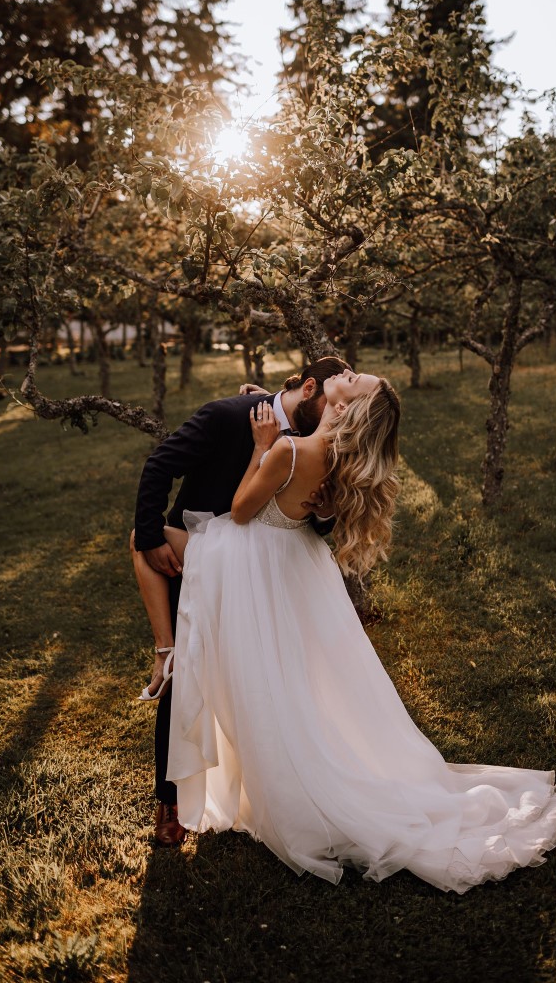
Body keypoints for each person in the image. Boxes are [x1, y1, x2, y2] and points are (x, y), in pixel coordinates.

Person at [145, 370, 556, 891]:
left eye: (353, 380)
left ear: (348, 408)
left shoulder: (288, 451)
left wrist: (263, 448)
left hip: (247, 557)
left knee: (140, 546)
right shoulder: (336, 461)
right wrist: (264, 404)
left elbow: (240, 512)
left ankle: (164, 650)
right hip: (291, 566)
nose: (343, 374)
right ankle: (180, 671)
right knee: (284, 681)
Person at [131, 355, 351, 845]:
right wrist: (151, 537)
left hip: (271, 574)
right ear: (310, 387)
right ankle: (170, 806)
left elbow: (315, 521)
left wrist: (324, 510)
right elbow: (160, 465)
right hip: (202, 557)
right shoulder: (229, 415)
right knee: (187, 670)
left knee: (274, 676)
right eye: (332, 398)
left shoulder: (324, 439)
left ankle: (276, 788)